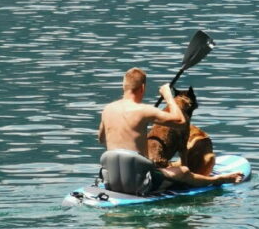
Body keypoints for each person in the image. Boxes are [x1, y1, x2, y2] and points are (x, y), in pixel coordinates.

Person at [97, 67, 243, 192]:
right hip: (140, 183)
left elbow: (101, 139)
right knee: (184, 172)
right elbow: (180, 121)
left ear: (124, 87)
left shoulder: (107, 109)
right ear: (143, 88)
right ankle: (220, 179)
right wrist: (168, 97)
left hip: (111, 180)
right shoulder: (144, 110)